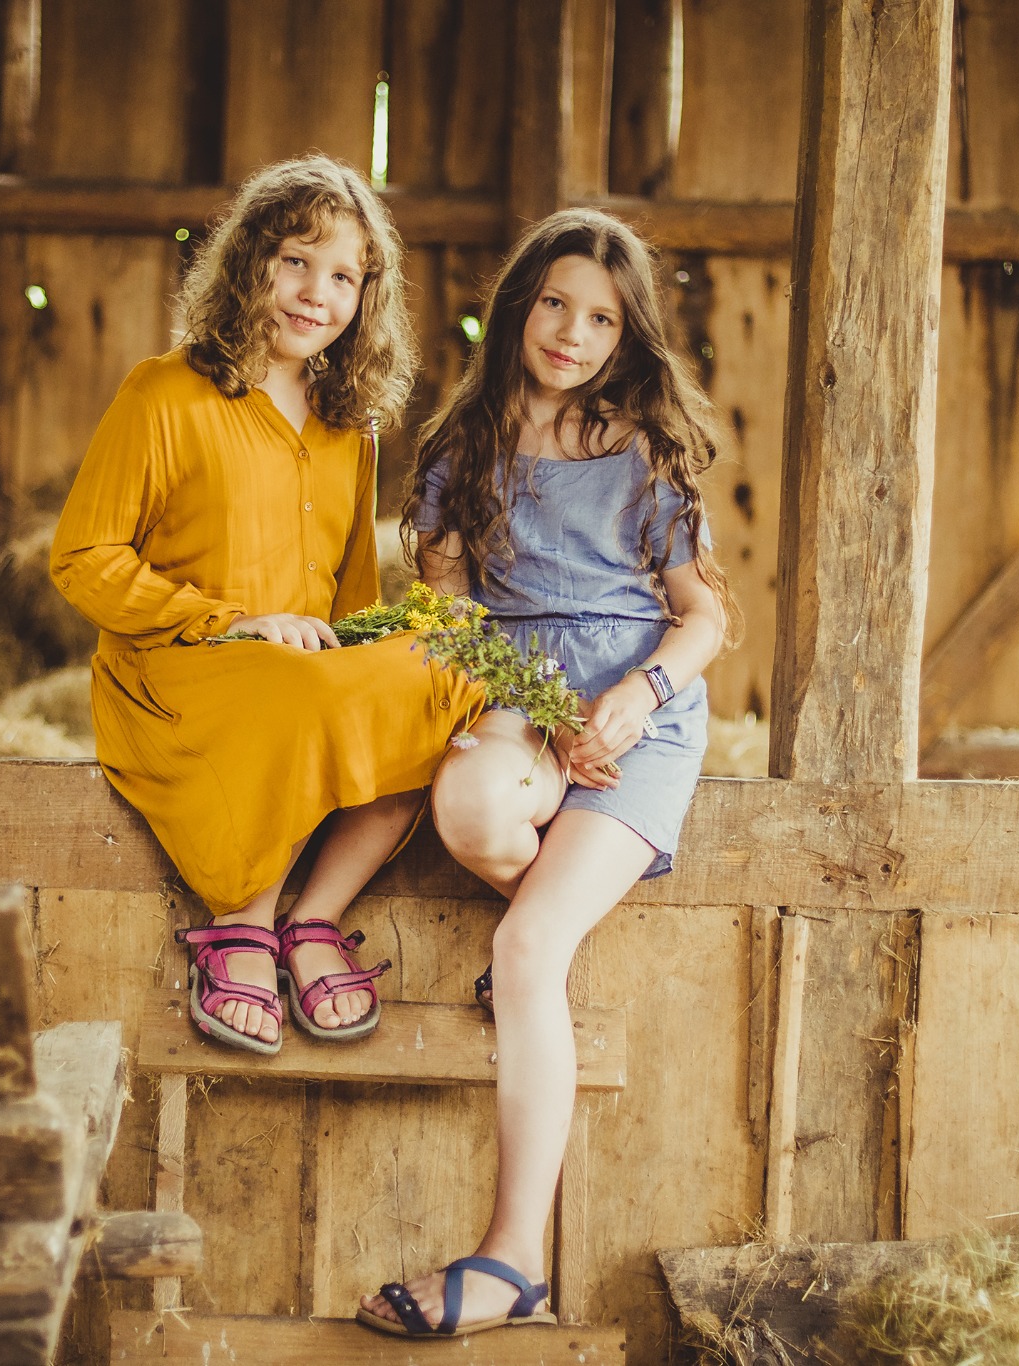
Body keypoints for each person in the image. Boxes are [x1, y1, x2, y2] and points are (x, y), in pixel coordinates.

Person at [358, 208, 733, 1338]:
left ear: (626, 338)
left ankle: (510, 1258)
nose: (571, 333)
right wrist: (539, 707)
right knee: (464, 802)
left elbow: (701, 615)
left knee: (525, 952)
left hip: (638, 720)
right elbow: (447, 612)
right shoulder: (458, 448)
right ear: (517, 303)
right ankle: (533, 956)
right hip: (518, 696)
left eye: (601, 318)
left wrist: (632, 699)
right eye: (555, 303)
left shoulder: (645, 452)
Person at [51, 155, 477, 1056]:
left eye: (343, 276)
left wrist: (385, 657)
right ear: (250, 261)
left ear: (366, 295)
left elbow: (352, 596)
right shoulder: (163, 392)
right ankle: (241, 921)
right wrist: (229, 621)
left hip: (300, 675)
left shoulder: (346, 426)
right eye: (295, 260)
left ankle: (311, 918)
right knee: (297, 689)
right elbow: (81, 560)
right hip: (180, 669)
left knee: (444, 682)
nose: (314, 293)